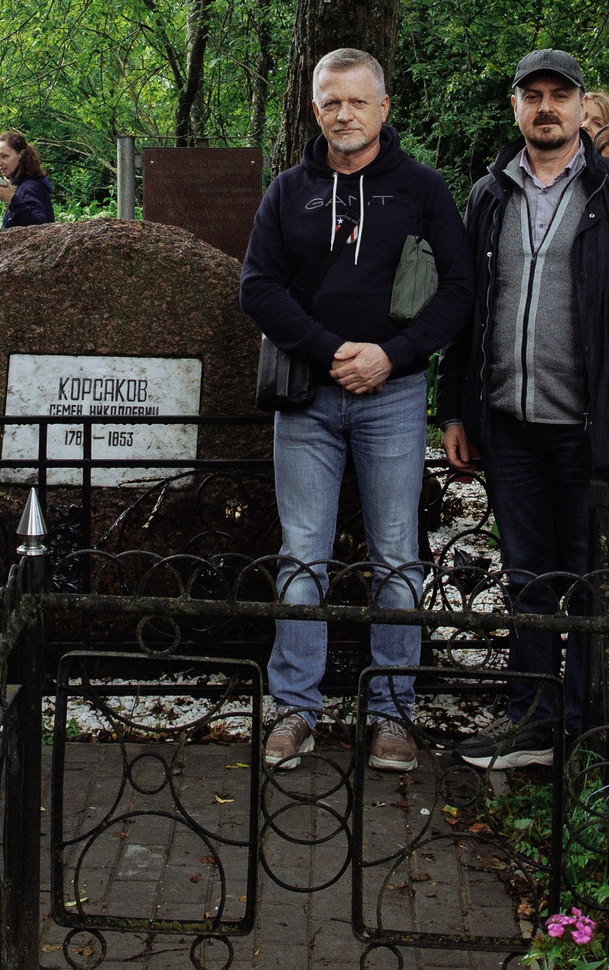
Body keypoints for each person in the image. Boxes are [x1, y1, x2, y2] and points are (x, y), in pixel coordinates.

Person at [437, 50, 609, 768]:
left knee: (591, 580)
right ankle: (531, 719)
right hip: (509, 426)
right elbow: (469, 313)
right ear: (515, 107)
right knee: (527, 578)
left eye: (560, 96)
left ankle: (592, 727)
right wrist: (458, 409)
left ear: (583, 108)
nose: (546, 108)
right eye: (532, 96)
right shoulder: (490, 193)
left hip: (591, 428)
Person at [241, 49, 473, 775]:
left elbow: (461, 290)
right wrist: (333, 347)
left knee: (397, 553)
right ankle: (295, 708)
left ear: (383, 107)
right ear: (316, 109)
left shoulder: (422, 189)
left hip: (395, 396)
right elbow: (258, 286)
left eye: (357, 101)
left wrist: (392, 354)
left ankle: (393, 713)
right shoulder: (288, 191)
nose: (344, 114)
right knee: (302, 554)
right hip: (308, 396)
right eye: (330, 102)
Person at [0, 131, 55, 227]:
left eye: (4, 156)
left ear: (21, 154)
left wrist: (12, 200)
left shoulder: (30, 186)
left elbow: (40, 225)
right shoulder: (21, 185)